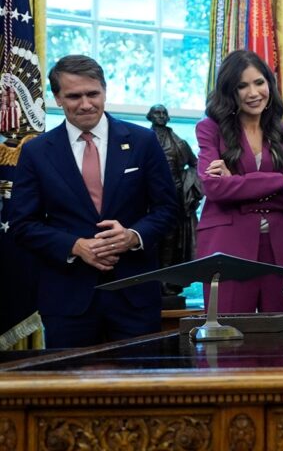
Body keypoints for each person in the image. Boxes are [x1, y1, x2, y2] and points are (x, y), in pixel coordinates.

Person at [9, 55, 177, 347]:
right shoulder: (36, 152)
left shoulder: (142, 141)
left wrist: (132, 236)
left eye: (92, 94)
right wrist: (75, 246)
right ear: (58, 98)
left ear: (105, 91)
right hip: (67, 300)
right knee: (70, 391)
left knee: (142, 390)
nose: (85, 104)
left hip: (134, 295)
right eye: (74, 96)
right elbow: (22, 225)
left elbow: (167, 209)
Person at [195, 49, 283, 319]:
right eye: (242, 86)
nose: (253, 93)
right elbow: (213, 187)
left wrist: (238, 184)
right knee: (226, 339)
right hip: (227, 247)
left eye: (259, 82)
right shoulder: (210, 129)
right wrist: (278, 180)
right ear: (229, 91)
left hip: (282, 248)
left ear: (270, 84)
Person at [147, 103, 201, 300]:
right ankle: (154, 281)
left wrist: (188, 184)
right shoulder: (142, 140)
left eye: (163, 113)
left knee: (172, 240)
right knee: (153, 240)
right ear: (150, 117)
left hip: (175, 198)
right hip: (149, 199)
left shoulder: (179, 143)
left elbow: (195, 164)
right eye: (157, 113)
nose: (160, 116)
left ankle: (167, 281)